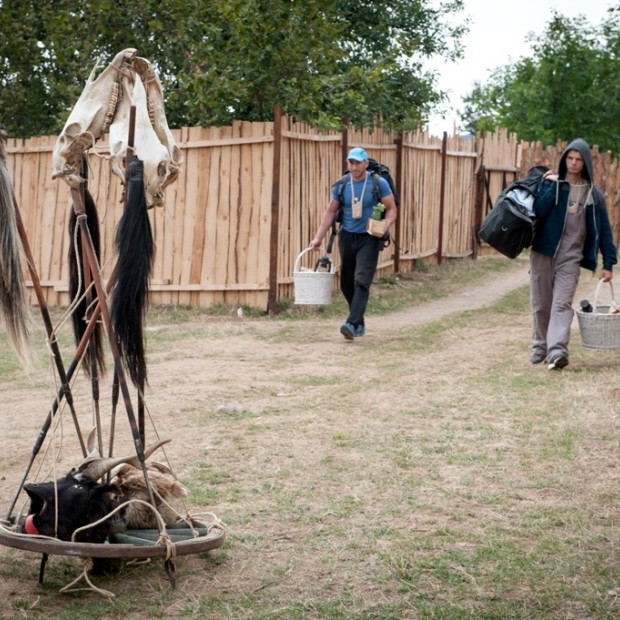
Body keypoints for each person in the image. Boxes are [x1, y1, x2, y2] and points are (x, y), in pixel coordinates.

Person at [530, 138, 617, 370]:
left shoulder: (594, 195)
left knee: (562, 304)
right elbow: (538, 211)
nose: (574, 163)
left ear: (586, 163)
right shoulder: (552, 184)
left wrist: (608, 263)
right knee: (541, 304)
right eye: (570, 158)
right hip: (543, 253)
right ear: (564, 159)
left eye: (579, 160)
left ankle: (557, 351)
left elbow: (605, 232)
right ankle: (539, 347)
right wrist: (553, 185)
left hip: (571, 258)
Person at [310, 147, 397, 340]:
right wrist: (318, 237)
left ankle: (351, 322)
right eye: (351, 162)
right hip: (347, 236)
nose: (354, 166)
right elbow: (330, 212)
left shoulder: (378, 183)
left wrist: (385, 224)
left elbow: (391, 209)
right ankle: (359, 322)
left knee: (361, 280)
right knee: (346, 283)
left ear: (366, 163)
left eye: (358, 162)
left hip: (369, 237)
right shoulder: (342, 185)